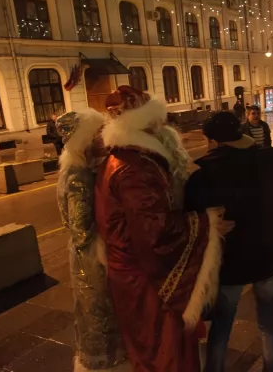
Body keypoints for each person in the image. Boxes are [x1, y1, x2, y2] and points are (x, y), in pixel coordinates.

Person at [94, 86, 233, 371]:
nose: (161, 125)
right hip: (146, 280)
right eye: (154, 120)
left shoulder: (125, 158)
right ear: (142, 122)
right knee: (165, 355)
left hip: (131, 274)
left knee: (150, 353)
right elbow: (156, 233)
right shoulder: (134, 169)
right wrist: (207, 223)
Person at [185, 106, 273, 372]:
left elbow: (185, 216)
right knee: (269, 324)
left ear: (213, 141)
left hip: (230, 263)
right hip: (268, 255)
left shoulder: (203, 177)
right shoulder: (266, 161)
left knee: (222, 327)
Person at [56, 109, 131, 371]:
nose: (101, 138)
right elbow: (81, 228)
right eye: (95, 134)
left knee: (97, 311)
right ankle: (104, 362)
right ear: (82, 140)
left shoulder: (82, 168)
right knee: (97, 312)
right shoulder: (77, 176)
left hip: (90, 254)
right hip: (90, 258)